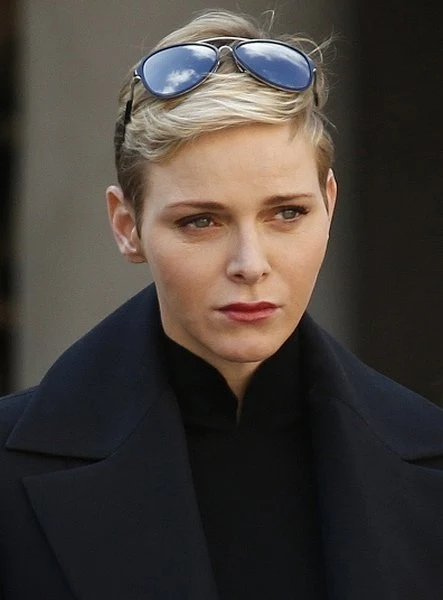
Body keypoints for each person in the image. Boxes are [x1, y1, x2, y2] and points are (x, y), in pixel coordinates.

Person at [1, 9, 443, 600]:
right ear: (126, 226)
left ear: (329, 206)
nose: (250, 263)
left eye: (287, 213)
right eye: (201, 221)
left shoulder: (430, 458)